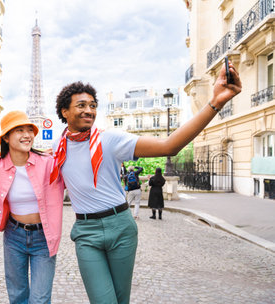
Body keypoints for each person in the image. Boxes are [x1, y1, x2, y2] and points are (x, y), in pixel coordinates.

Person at [50, 61, 241, 303]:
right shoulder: (57, 148)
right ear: (64, 111)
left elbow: (169, 145)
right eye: (81, 105)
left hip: (120, 226)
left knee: (121, 300)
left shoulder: (109, 140)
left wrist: (216, 102)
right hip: (86, 233)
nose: (89, 110)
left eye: (93, 105)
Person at [0, 111, 65, 303]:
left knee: (40, 298)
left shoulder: (49, 164)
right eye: (19, 130)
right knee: (17, 295)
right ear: (6, 138)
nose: (27, 135)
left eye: (29, 130)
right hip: (13, 235)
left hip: (44, 236)